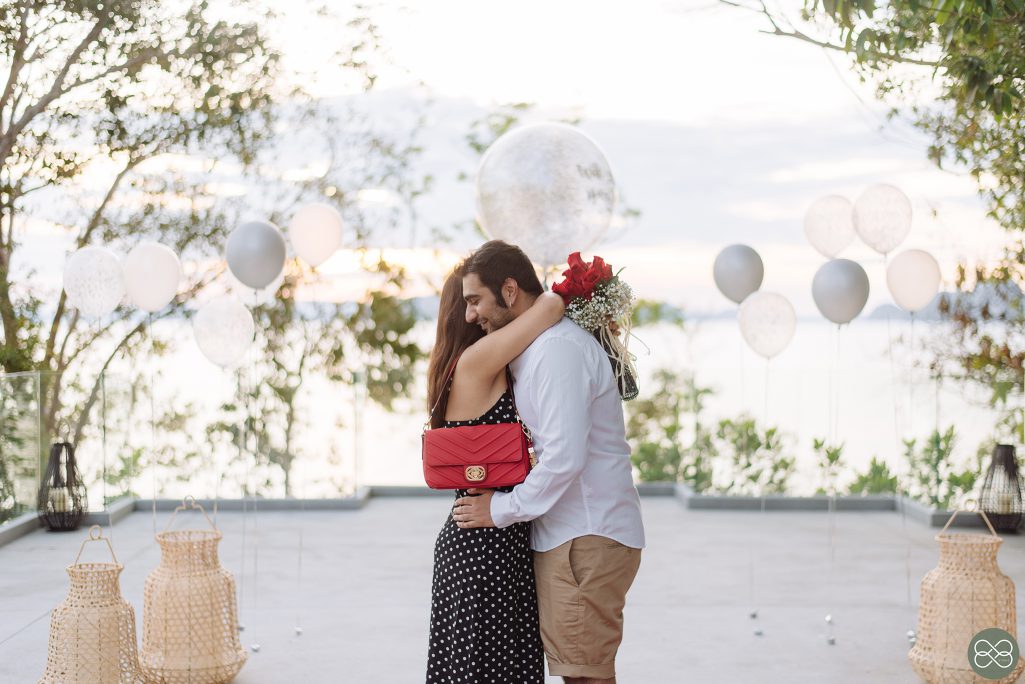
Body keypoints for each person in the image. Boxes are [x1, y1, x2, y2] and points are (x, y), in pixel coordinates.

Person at [452, 240, 646, 684]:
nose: (470, 315)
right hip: (575, 534)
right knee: (580, 671)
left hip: (586, 535)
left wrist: (497, 510)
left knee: (584, 675)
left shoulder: (557, 351)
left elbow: (564, 458)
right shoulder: (540, 347)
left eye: (475, 300)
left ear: (510, 290)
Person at [425, 259, 566, 683]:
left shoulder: (464, 364)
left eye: (476, 301)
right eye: (467, 303)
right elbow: (549, 307)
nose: (473, 313)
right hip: (485, 551)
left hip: (481, 546)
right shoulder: (477, 360)